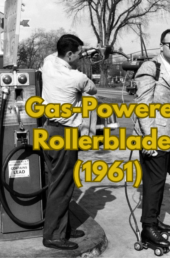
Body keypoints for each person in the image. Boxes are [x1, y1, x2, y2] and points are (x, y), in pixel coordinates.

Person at [41, 34, 97, 250]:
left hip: (48, 131)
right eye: (78, 53)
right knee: (62, 187)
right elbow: (92, 89)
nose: (81, 57)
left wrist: (85, 51)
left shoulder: (48, 63)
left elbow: (57, 54)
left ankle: (62, 227)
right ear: (70, 54)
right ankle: (54, 235)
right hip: (65, 136)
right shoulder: (77, 77)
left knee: (58, 182)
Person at [132, 29, 170, 248]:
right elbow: (143, 107)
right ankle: (148, 229)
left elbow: (167, 103)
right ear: (161, 46)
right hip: (153, 135)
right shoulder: (150, 67)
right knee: (153, 184)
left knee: (160, 181)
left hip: (166, 133)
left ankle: (154, 221)